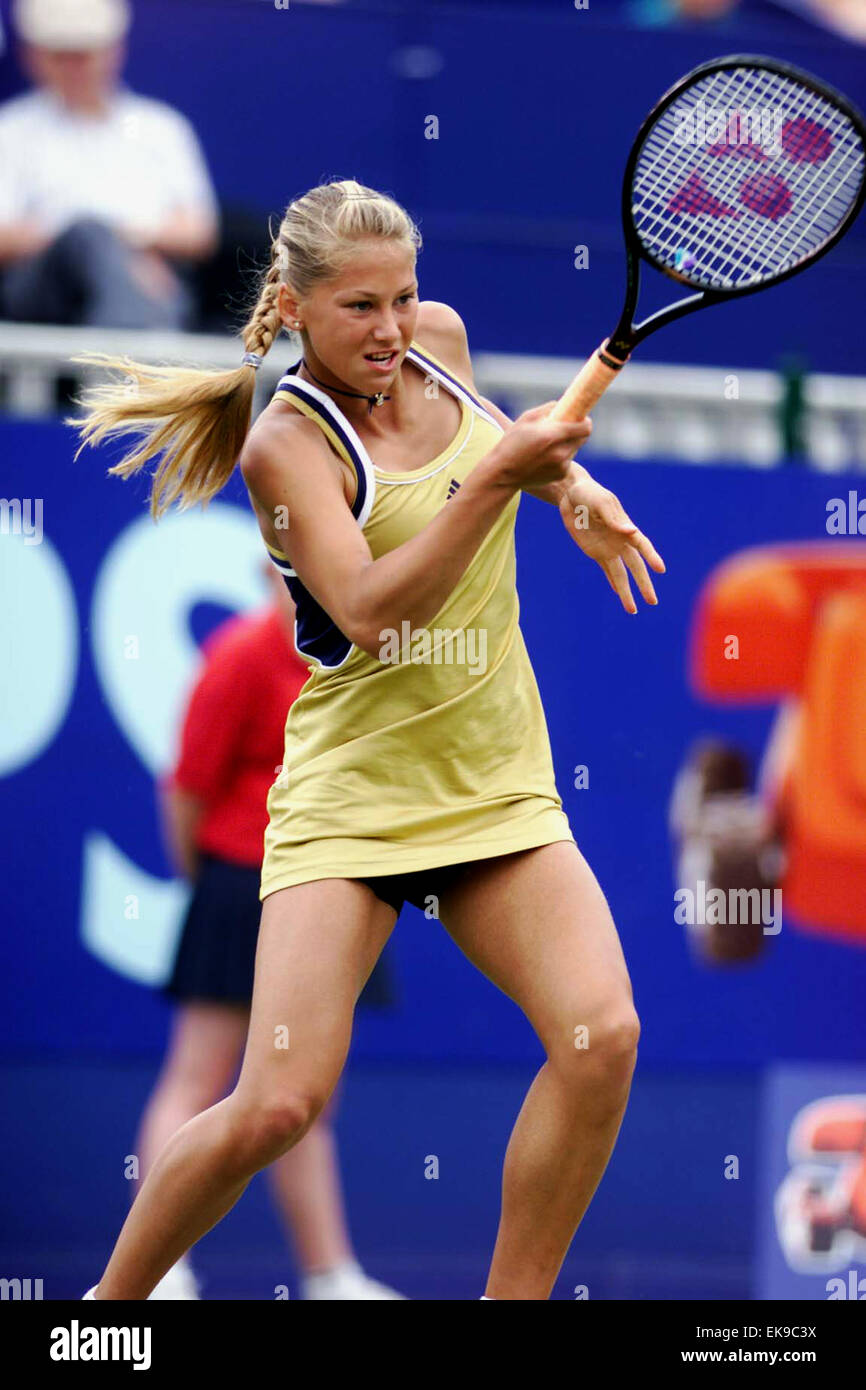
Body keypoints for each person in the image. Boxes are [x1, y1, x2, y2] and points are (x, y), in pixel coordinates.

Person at [70, 177, 665, 1301]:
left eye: (402, 296)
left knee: (601, 1037)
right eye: (357, 307)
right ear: (292, 308)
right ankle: (104, 1317)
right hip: (348, 803)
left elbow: (505, 450)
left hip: (494, 784)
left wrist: (569, 487)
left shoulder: (437, 344)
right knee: (277, 1105)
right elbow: (377, 609)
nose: (391, 329)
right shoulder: (283, 445)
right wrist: (500, 477)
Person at [141, 562, 402, 1300]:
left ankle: (330, 1277)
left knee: (307, 1097)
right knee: (196, 1078)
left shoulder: (363, 660)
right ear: (274, 570)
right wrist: (219, 889)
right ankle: (160, 1277)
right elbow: (188, 790)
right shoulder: (240, 655)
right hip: (239, 886)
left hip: (335, 885)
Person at [0, 0, 218, 329]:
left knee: (113, 259)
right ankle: (127, 365)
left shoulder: (162, 127)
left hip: (155, 285)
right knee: (90, 238)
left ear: (114, 51)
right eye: (60, 55)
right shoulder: (11, 129)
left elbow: (199, 232)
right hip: (41, 292)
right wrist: (109, 246)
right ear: (34, 57)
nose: (73, 68)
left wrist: (123, 247)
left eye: (84, 54)